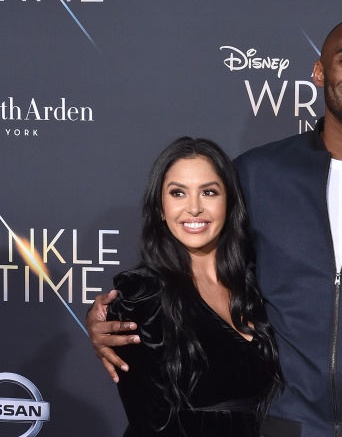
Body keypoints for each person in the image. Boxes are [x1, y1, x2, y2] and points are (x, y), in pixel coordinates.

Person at [88, 17, 342, 437]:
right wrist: (117, 316)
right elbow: (193, 261)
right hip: (287, 421)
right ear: (319, 71)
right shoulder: (257, 174)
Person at [106, 137, 282, 436]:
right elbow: (149, 424)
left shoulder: (256, 284)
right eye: (178, 193)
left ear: (229, 202)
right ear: (160, 207)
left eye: (209, 192)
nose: (194, 208)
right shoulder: (141, 298)